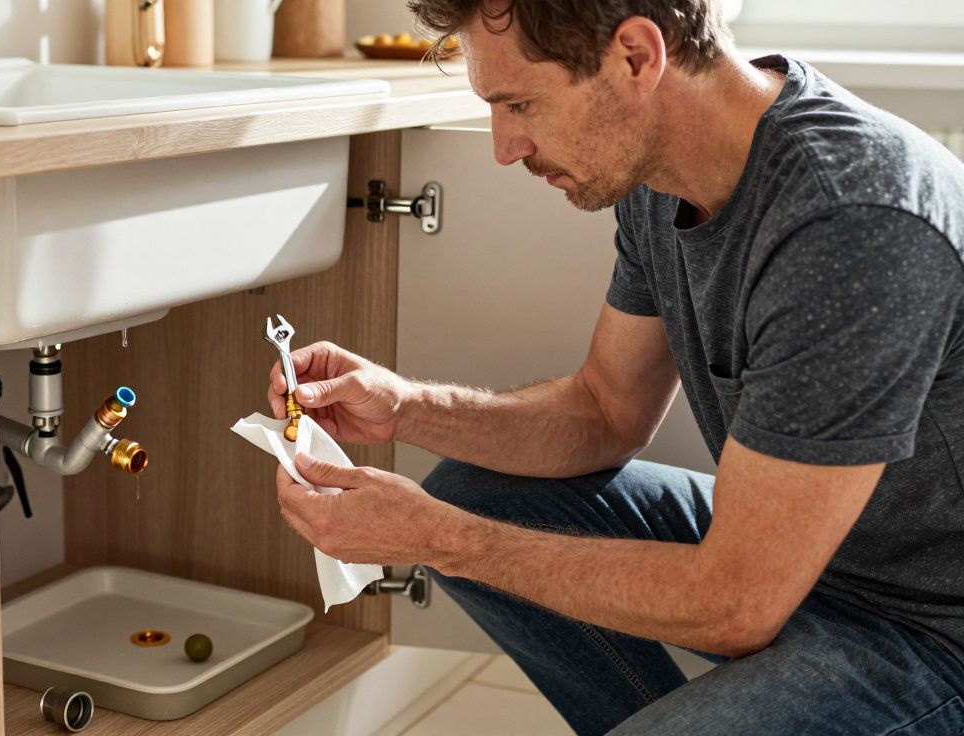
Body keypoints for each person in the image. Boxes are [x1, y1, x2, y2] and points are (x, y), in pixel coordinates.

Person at [265, 1, 964, 733]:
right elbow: (604, 411)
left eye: (520, 103)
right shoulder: (663, 179)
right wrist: (406, 407)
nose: (505, 145)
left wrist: (438, 539)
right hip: (801, 564)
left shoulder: (852, 225)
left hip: (931, 631)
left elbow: (736, 607)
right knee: (476, 495)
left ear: (635, 56)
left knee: (461, 526)